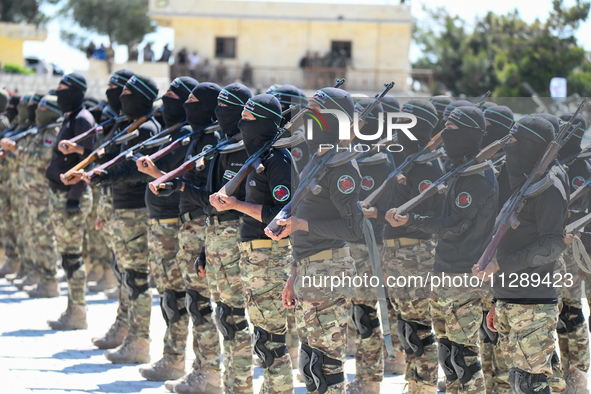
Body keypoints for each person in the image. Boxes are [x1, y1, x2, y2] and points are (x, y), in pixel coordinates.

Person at [387, 105, 497, 393]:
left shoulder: (478, 177)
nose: (444, 135)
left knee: (463, 356)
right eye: (444, 129)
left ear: (471, 135)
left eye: (452, 130)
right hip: (444, 271)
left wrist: (412, 219)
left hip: (464, 274)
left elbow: (455, 225)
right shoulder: (458, 170)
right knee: (448, 353)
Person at [154, 82, 254, 393]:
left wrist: (181, 188)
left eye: (197, 100)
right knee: (200, 305)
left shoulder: (238, 147)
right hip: (206, 233)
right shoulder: (216, 142)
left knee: (226, 314)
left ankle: (219, 377)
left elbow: (217, 197)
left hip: (222, 233)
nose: (187, 105)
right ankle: (207, 372)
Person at [268, 87, 364, 394]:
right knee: (310, 361)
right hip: (309, 270)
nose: (308, 119)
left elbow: (355, 228)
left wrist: (300, 224)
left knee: (326, 365)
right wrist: (293, 277)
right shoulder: (319, 158)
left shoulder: (342, 167)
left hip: (330, 271)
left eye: (316, 113)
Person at [136, 78, 222, 385]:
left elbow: (203, 191)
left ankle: (208, 371)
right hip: (186, 226)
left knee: (200, 304)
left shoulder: (212, 141)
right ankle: (191, 366)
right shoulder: (196, 136)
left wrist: (160, 178)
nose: (185, 107)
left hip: (198, 229)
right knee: (185, 302)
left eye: (191, 103)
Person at [475, 116, 567, 394]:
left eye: (514, 140)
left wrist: (500, 265)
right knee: (518, 380)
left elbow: (553, 246)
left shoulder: (548, 188)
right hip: (510, 300)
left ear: (529, 145)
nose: (508, 145)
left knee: (531, 384)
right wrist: (497, 300)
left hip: (533, 302)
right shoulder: (522, 184)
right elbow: (510, 241)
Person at [210, 93, 294, 393]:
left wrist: (235, 204)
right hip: (251, 256)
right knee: (260, 338)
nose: (241, 124)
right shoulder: (254, 159)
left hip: (270, 257)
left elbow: (282, 216)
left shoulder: (278, 161)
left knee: (271, 342)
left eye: (247, 119)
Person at [84, 74, 161, 362]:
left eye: (127, 92)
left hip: (135, 212)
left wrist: (107, 177)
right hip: (120, 210)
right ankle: (125, 328)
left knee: (136, 278)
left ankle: (139, 340)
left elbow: (137, 172)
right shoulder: (127, 126)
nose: (120, 96)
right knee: (124, 274)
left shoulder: (146, 129)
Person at [374, 99, 442, 393]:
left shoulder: (427, 166)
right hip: (396, 252)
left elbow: (432, 217)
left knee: (421, 330)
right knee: (406, 325)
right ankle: (413, 382)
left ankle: (423, 386)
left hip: (416, 254)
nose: (399, 129)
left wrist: (393, 218)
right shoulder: (404, 158)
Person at [45, 73, 96, 330]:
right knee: (67, 255)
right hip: (62, 195)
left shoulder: (82, 120)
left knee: (72, 256)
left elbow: (88, 161)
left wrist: (75, 197)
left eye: (63, 89)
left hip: (71, 197)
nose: (58, 92)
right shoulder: (70, 117)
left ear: (76, 92)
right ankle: (73, 308)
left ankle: (77, 312)